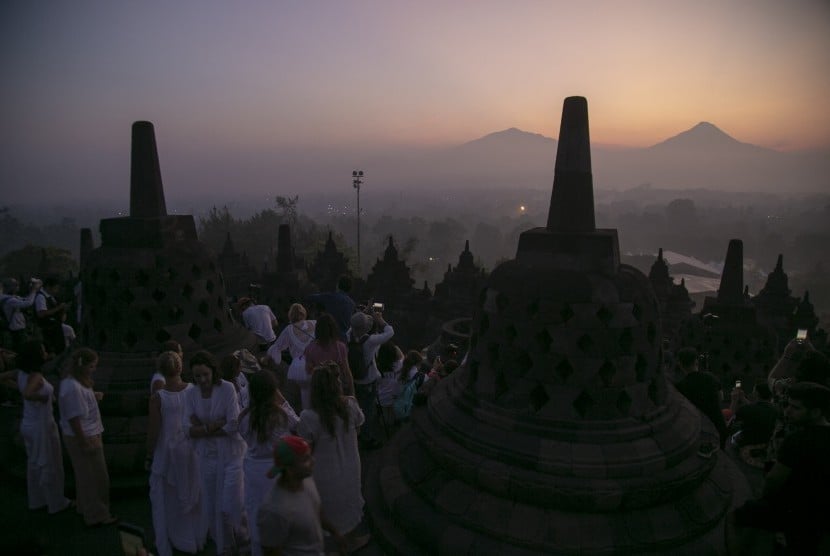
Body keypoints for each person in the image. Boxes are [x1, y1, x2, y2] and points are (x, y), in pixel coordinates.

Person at [730, 382, 830, 555]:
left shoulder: (797, 440)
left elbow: (773, 480)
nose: (788, 411)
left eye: (795, 408)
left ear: (815, 412)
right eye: (787, 405)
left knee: (736, 517)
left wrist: (765, 496)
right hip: (821, 511)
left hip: (793, 510)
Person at [297, 362, 369, 551]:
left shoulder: (308, 417)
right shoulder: (351, 405)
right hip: (351, 466)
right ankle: (351, 541)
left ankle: (335, 547)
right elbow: (359, 429)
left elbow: (306, 451)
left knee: (328, 511)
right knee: (350, 502)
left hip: (324, 474)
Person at [185, 350, 248, 556]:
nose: (202, 380)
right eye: (197, 376)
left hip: (231, 454)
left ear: (213, 371)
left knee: (231, 500)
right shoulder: (190, 393)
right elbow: (188, 428)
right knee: (213, 502)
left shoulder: (227, 388)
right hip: (208, 456)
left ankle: (242, 534)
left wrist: (203, 428)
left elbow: (233, 424)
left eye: (205, 374)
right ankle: (227, 545)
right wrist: (212, 427)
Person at [146, 350, 205, 556]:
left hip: (167, 450)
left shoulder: (158, 398)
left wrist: (149, 454)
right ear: (181, 367)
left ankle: (171, 540)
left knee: (165, 498)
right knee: (193, 492)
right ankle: (195, 536)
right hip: (190, 447)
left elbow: (154, 430)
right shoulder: (192, 390)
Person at [240, 371, 299, 556]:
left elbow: (243, 436)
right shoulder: (280, 415)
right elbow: (298, 425)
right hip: (277, 469)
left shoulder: (245, 418)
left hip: (253, 470)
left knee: (256, 513)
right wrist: (283, 401)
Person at [256, 436, 347, 556]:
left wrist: (335, 533)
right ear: (289, 470)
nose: (313, 461)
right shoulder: (273, 510)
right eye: (305, 459)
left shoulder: (307, 480)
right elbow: (271, 551)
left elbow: (316, 509)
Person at [58, 347, 116, 526]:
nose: (94, 369)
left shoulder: (72, 382)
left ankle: (85, 507)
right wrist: (83, 441)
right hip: (85, 435)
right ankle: (97, 515)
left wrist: (93, 396)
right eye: (92, 366)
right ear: (83, 367)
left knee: (84, 476)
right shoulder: (73, 388)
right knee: (96, 478)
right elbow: (74, 418)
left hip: (86, 432)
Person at [15, 340, 72, 514]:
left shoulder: (20, 373)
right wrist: (41, 398)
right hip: (42, 425)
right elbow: (27, 394)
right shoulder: (37, 377)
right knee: (50, 462)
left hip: (28, 423)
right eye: (42, 349)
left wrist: (19, 389)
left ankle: (37, 499)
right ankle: (56, 502)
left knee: (34, 463)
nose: (45, 351)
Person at [347, 309, 394, 449]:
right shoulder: (371, 341)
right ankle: (366, 437)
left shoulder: (348, 335)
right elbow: (390, 332)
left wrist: (363, 312)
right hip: (368, 380)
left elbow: (353, 326)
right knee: (368, 410)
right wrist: (380, 320)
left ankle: (355, 430)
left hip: (354, 379)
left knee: (357, 406)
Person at [674, 347, 728, 449]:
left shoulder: (680, 386)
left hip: (697, 430)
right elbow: (721, 397)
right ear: (696, 361)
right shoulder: (711, 378)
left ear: (680, 364)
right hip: (718, 425)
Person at [266, 303, 316, 411]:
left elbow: (277, 347)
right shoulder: (314, 323)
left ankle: (304, 417)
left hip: (298, 367)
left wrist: (269, 359)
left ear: (291, 315)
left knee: (303, 395)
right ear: (304, 313)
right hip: (315, 364)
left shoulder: (288, 329)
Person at [303, 313, 354, 396]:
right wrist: (352, 393)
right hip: (336, 389)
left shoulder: (310, 348)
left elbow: (308, 371)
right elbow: (346, 372)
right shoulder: (340, 347)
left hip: (319, 390)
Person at [305, 276, 356, 342]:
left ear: (338, 285)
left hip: (329, 338)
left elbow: (310, 298)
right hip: (343, 340)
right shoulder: (352, 303)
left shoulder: (330, 297)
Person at [730, 382, 778, 447]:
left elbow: (730, 420)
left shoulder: (747, 409)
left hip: (747, 442)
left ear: (756, 393)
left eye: (753, 390)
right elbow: (757, 407)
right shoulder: (775, 409)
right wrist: (743, 398)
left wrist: (734, 400)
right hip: (766, 442)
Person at [1, 277, 40, 352]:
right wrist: (34, 290)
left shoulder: (7, 298)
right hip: (16, 331)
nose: (18, 287)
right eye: (16, 285)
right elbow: (27, 303)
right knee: (21, 350)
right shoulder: (10, 300)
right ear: (11, 287)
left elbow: (25, 299)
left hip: (13, 329)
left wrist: (31, 290)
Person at [34, 277, 68, 358]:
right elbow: (41, 313)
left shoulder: (52, 297)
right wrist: (59, 308)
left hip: (56, 328)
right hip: (47, 330)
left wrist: (63, 310)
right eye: (55, 288)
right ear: (48, 286)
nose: (56, 290)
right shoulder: (41, 297)